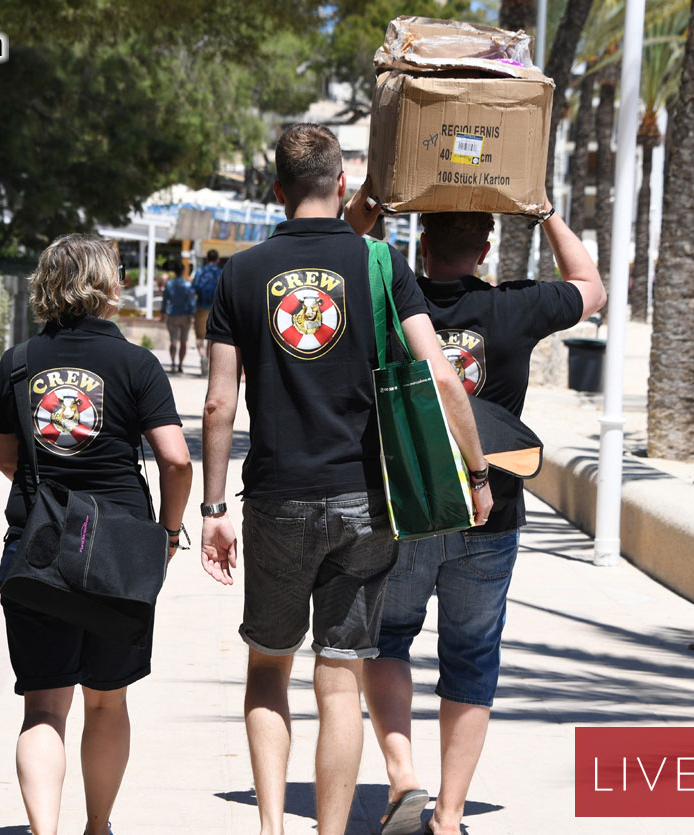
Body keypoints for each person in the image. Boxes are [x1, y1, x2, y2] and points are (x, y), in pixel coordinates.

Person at [198, 124, 493, 835]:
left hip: (275, 497)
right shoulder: (380, 263)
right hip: (366, 498)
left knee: (268, 667)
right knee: (338, 677)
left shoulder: (239, 274)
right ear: (338, 185)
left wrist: (212, 507)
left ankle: (271, 825)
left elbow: (216, 401)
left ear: (275, 191)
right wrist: (475, 474)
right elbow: (442, 375)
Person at [345, 200, 605, 835]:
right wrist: (544, 213)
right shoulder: (513, 307)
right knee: (472, 656)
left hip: (409, 503)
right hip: (491, 512)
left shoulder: (386, 299)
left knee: (389, 640)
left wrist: (373, 203)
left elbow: (335, 250)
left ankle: (403, 774)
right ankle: (450, 815)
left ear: (423, 244)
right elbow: (590, 288)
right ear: (485, 250)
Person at [0, 235, 193, 835]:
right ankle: (97, 827)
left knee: (45, 706)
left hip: (39, 549)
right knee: (107, 700)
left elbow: (7, 459)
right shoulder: (137, 364)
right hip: (120, 556)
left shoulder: (19, 362)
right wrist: (171, 533)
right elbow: (177, 462)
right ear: (111, 287)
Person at [192, 249, 223, 376]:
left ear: (206, 259)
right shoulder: (221, 273)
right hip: (215, 308)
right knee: (211, 337)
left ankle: (202, 356)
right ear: (218, 260)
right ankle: (208, 364)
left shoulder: (200, 272)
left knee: (199, 337)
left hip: (201, 306)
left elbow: (193, 288)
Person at [162, 260, 196, 373]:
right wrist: (193, 314)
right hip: (185, 315)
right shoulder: (187, 285)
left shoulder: (169, 284)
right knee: (183, 342)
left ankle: (172, 363)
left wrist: (163, 313)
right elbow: (191, 302)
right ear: (183, 271)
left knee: (173, 341)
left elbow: (164, 301)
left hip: (173, 315)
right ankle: (180, 365)